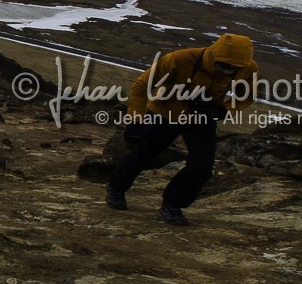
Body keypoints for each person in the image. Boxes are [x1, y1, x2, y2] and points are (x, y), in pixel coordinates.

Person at [106, 33, 257, 225]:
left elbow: (246, 96)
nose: (228, 72)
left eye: (234, 69)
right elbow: (141, 85)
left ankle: (172, 204)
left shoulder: (248, 68)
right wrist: (135, 120)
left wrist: (222, 110)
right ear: (214, 56)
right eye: (223, 66)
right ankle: (116, 187)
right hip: (165, 112)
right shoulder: (178, 59)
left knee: (203, 165)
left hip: (202, 118)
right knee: (145, 153)